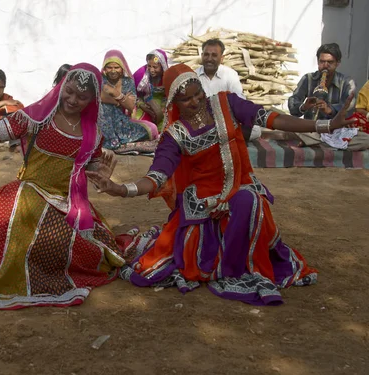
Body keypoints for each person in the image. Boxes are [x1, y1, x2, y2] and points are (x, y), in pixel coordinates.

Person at [86, 64, 355, 306]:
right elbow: (157, 176)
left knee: (250, 201)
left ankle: (241, 269)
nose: (195, 101)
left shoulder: (226, 103)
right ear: (174, 101)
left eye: (197, 93)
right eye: (186, 98)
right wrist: (119, 189)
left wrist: (326, 125)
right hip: (203, 202)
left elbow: (271, 118)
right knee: (175, 255)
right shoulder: (174, 134)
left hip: (240, 187)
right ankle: (231, 269)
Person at [0, 64, 126, 309]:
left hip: (68, 204)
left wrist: (102, 174)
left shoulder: (93, 133)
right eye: (70, 91)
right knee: (14, 224)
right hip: (28, 193)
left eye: (82, 97)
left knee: (75, 252)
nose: (73, 100)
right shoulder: (36, 118)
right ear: (62, 86)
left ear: (92, 100)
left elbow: (91, 169)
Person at [284, 43, 368, 150]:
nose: (325, 65)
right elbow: (293, 104)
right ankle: (320, 143)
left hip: (336, 132)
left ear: (338, 63)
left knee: (366, 140)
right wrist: (304, 106)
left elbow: (350, 110)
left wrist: (330, 110)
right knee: (290, 128)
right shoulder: (308, 79)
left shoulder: (347, 82)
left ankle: (313, 142)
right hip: (310, 129)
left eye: (330, 62)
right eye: (322, 61)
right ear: (318, 61)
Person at [195, 38, 260, 142]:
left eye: (214, 55)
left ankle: (214, 138)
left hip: (226, 121)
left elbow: (239, 102)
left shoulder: (230, 74)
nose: (209, 58)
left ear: (222, 58)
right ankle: (221, 137)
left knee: (256, 130)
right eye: (206, 54)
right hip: (202, 123)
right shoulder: (194, 76)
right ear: (202, 56)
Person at [99, 49, 158, 155]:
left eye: (116, 67)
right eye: (109, 67)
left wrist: (115, 94)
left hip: (122, 122)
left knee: (152, 129)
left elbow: (130, 106)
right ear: (104, 69)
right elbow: (100, 97)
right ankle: (113, 142)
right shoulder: (100, 79)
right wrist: (120, 100)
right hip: (103, 121)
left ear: (122, 68)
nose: (113, 71)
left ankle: (119, 142)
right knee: (104, 108)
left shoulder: (128, 81)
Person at [133, 49, 169, 133]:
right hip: (144, 103)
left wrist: (162, 109)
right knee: (140, 125)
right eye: (149, 66)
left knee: (165, 127)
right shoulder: (140, 74)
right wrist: (141, 105)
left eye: (155, 67)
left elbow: (171, 96)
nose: (151, 70)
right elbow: (130, 93)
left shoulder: (168, 76)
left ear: (163, 66)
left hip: (164, 105)